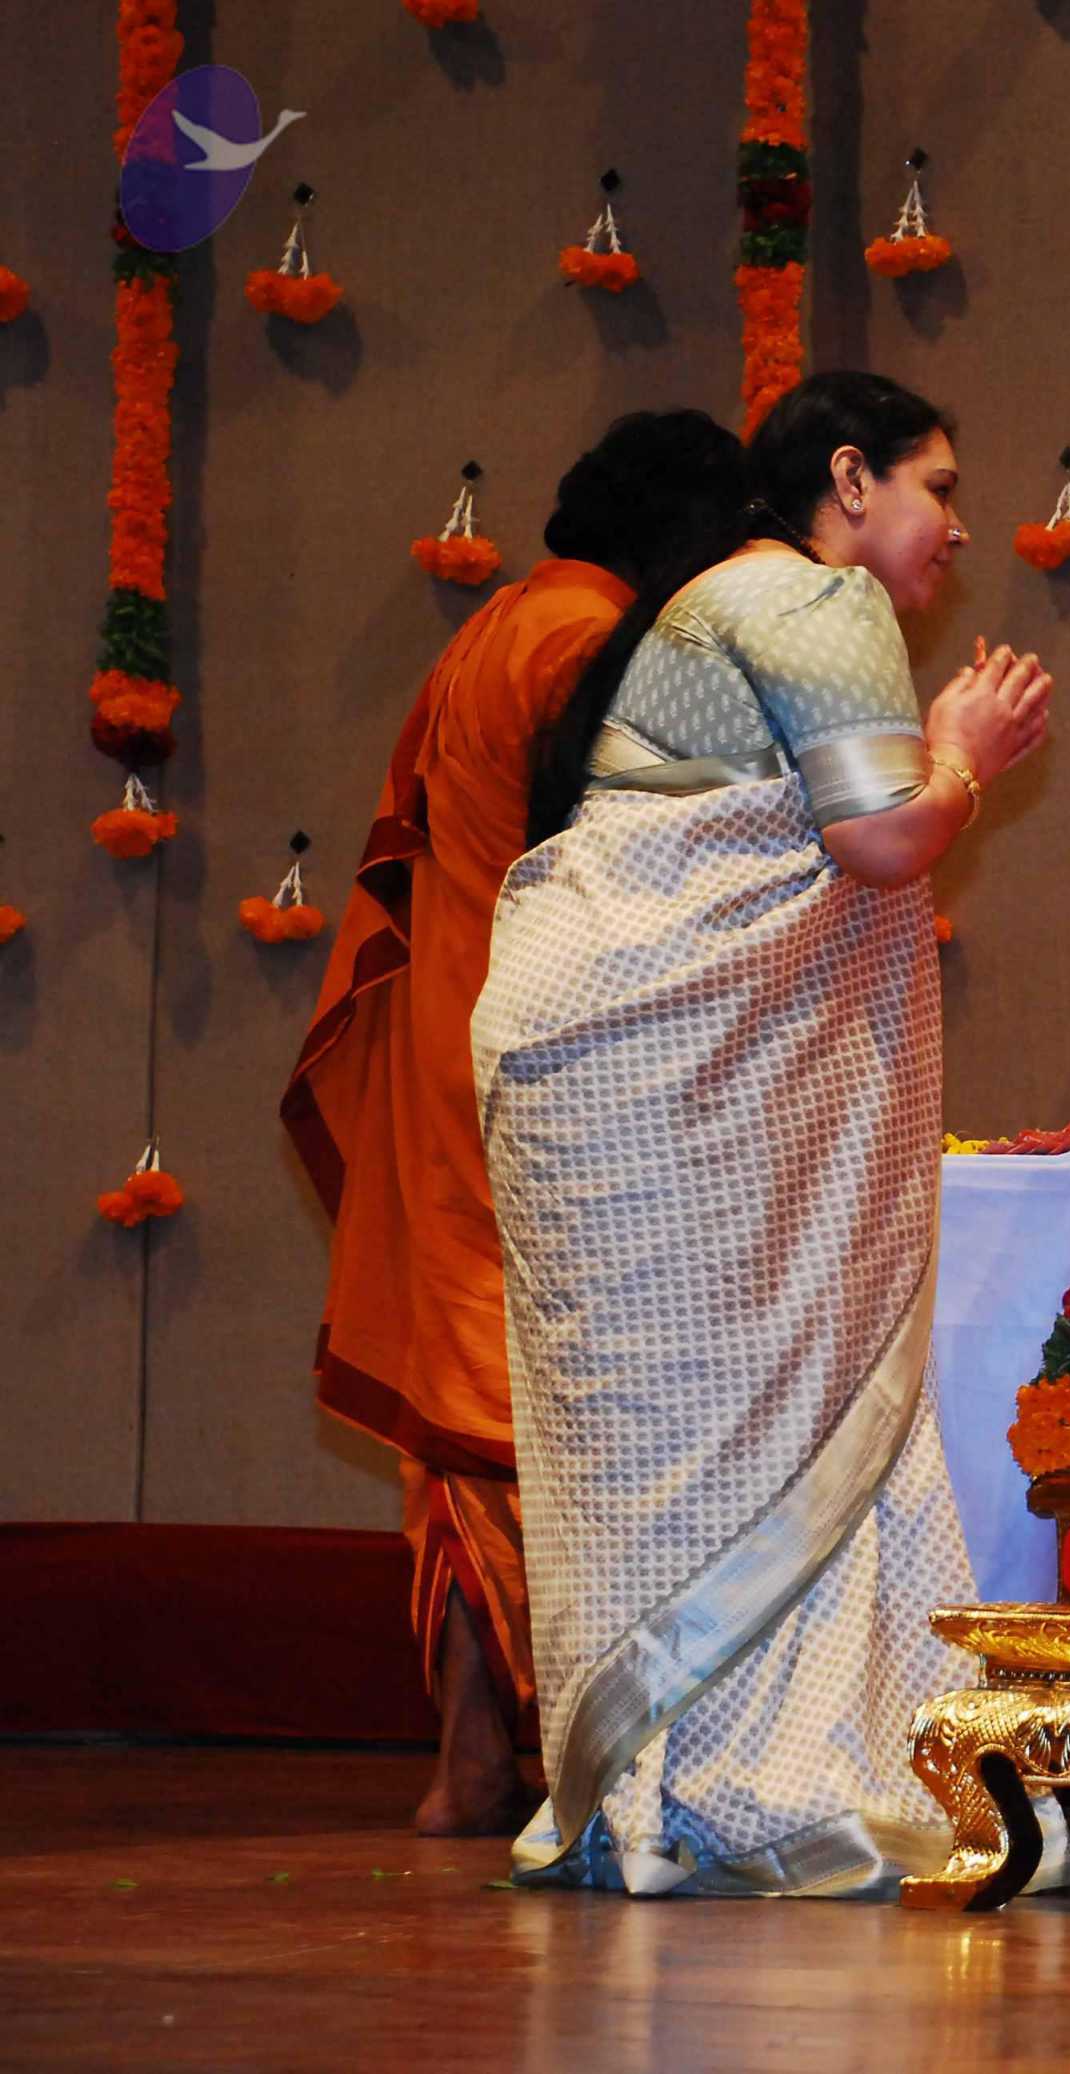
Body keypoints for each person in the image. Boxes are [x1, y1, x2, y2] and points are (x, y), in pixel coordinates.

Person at [474, 371, 1053, 1898]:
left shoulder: (709, 602)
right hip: (660, 1078)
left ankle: (646, 1787)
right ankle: (747, 1783)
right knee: (739, 1426)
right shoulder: (809, 593)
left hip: (590, 1050)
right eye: (938, 487)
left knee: (658, 1442)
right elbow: (880, 839)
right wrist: (964, 752)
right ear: (850, 481)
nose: (958, 528)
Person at [282, 410, 750, 1836]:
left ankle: (476, 1759)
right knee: (531, 1409)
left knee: (466, 1412)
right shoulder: (584, 646)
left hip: (458, 1053)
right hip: (542, 1072)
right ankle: (555, 1757)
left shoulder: (497, 625)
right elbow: (639, 867)